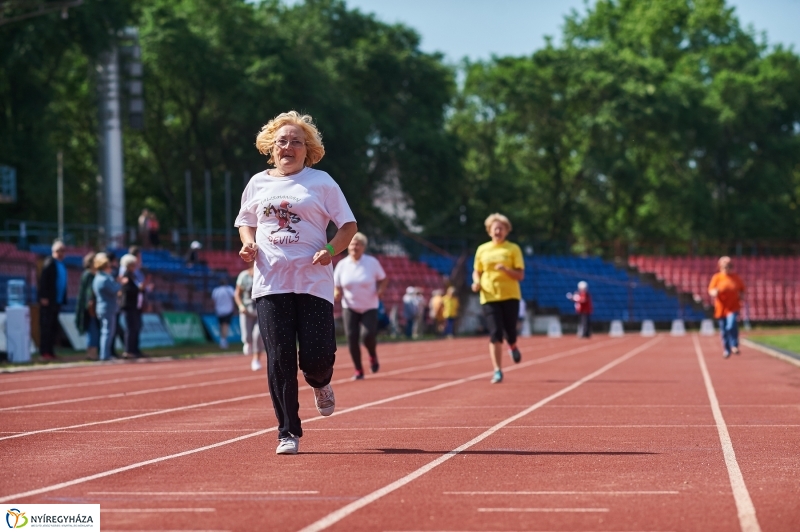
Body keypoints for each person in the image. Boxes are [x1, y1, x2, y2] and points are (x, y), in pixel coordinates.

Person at [235, 110, 357, 455]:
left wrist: (330, 250)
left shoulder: (321, 182)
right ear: (271, 147)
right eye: (282, 141)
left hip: (313, 281)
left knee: (317, 357)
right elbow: (245, 222)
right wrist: (248, 243)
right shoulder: (257, 183)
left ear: (308, 150)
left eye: (296, 142)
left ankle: (321, 382)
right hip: (271, 282)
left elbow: (348, 226)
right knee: (279, 359)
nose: (288, 147)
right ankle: (287, 431)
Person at [472, 213, 525, 384]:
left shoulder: (513, 249)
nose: (498, 232)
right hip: (489, 296)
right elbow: (477, 271)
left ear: (506, 231)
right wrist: (476, 282)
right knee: (495, 333)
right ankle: (497, 370)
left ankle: (513, 345)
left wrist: (505, 270)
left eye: (501, 229)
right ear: (489, 231)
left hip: (510, 295)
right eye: (495, 229)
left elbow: (520, 275)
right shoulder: (482, 249)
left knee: (510, 331)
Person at [333, 232, 388, 380]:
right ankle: (358, 369)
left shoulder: (372, 262)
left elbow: (383, 279)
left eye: (357, 244)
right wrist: (336, 292)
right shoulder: (342, 265)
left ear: (363, 247)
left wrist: (381, 290)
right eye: (351, 244)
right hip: (349, 306)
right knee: (352, 337)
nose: (354, 247)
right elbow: (336, 284)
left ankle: (372, 355)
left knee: (367, 335)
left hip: (370, 305)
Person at [708, 256, 746, 358]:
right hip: (721, 308)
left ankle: (734, 345)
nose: (727, 268)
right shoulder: (717, 277)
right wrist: (714, 292)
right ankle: (726, 349)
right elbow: (711, 290)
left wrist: (741, 296)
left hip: (733, 307)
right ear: (720, 267)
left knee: (731, 325)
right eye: (724, 266)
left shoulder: (735, 277)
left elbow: (742, 289)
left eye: (729, 266)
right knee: (724, 330)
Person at [38, 239, 67, 361]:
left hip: (57, 300)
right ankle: (44, 352)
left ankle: (51, 351)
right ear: (54, 251)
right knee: (47, 326)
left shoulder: (61, 264)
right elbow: (43, 280)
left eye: (63, 250)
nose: (61, 253)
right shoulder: (50, 263)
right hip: (49, 300)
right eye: (59, 250)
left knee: (53, 327)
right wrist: (43, 296)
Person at [235, 263, 267, 371]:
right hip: (247, 310)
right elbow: (237, 294)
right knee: (247, 337)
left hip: (260, 310)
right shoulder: (244, 276)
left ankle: (256, 359)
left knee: (257, 335)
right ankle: (247, 342)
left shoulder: (265, 274)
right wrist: (241, 306)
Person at [92, 253, 121, 361]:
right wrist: (120, 283)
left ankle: (105, 354)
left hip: (103, 307)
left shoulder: (98, 278)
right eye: (109, 266)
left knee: (106, 332)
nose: (110, 268)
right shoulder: (103, 279)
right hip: (107, 308)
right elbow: (114, 290)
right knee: (107, 332)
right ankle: (105, 355)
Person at [75, 252, 99, 361]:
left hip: (92, 306)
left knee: (93, 329)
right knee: (92, 329)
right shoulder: (89, 275)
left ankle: (92, 353)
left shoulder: (91, 274)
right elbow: (89, 293)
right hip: (89, 307)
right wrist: (90, 306)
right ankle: (91, 353)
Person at [119, 254, 144, 358]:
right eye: (133, 265)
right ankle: (128, 350)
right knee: (130, 329)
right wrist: (139, 289)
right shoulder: (126, 276)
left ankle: (134, 350)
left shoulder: (133, 276)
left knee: (136, 328)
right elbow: (127, 290)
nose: (135, 267)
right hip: (129, 305)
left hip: (135, 305)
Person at [211, 277, 236, 350]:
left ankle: (222, 340)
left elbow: (213, 301)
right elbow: (234, 298)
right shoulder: (229, 289)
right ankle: (223, 341)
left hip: (219, 310)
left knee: (221, 325)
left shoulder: (216, 290)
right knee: (225, 325)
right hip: (228, 310)